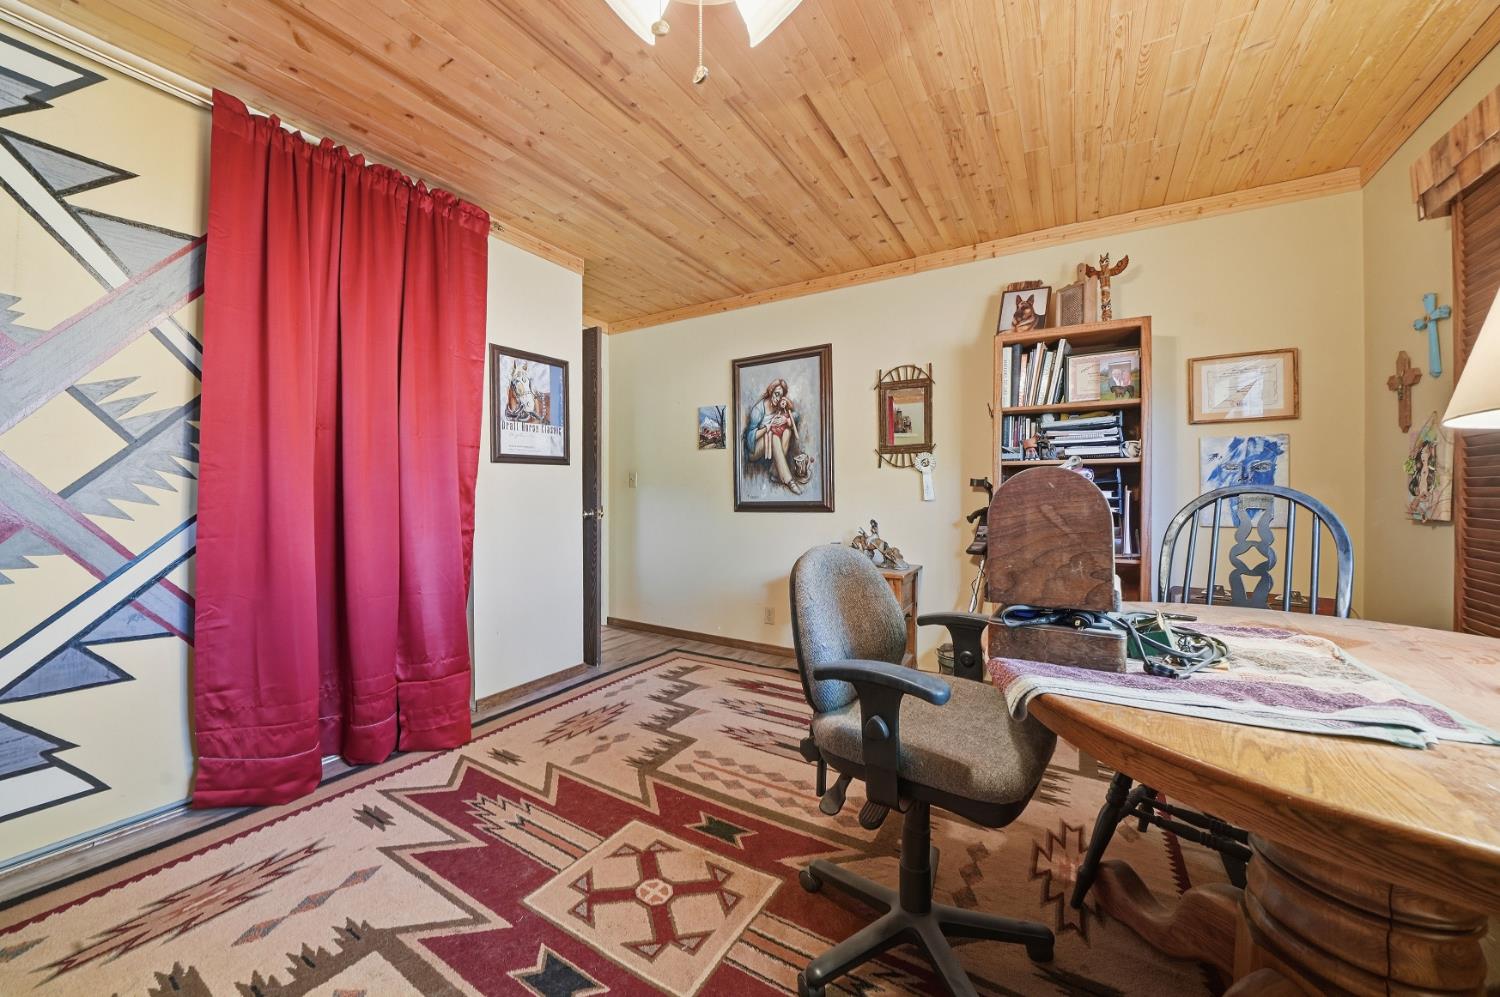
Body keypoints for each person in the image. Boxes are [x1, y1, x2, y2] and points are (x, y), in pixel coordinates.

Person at [743, 378, 804, 494]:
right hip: (754, 449)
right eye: (776, 394)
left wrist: (786, 419)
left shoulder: (780, 405)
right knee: (773, 436)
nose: (778, 398)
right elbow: (750, 439)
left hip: (770, 444)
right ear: (771, 391)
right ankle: (789, 480)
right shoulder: (758, 409)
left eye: (781, 396)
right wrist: (767, 428)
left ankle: (775, 471)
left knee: (787, 432)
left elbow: (795, 415)